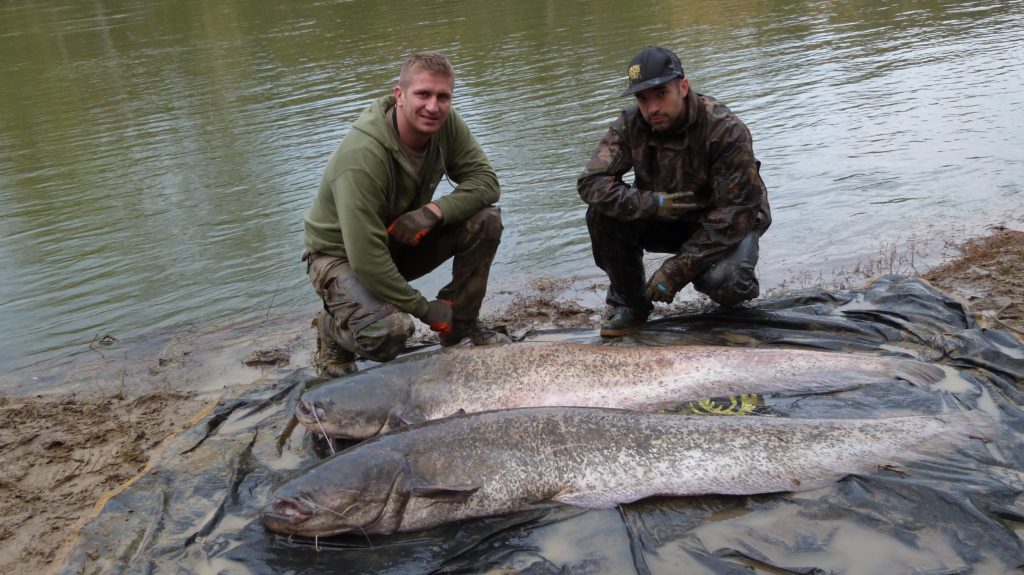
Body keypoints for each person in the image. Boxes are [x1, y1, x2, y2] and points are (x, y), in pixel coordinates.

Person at [302, 51, 510, 377]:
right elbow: (367, 260)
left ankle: (461, 325)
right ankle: (333, 330)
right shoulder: (362, 156)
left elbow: (486, 183)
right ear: (400, 95)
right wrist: (425, 309)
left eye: (443, 97)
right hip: (341, 258)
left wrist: (432, 212)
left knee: (485, 220)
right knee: (388, 333)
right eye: (423, 94)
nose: (433, 106)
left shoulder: (446, 124)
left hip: (398, 242)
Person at [577, 46, 771, 337]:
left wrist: (675, 271)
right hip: (667, 217)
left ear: (683, 87)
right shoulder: (631, 125)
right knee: (601, 215)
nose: (651, 107)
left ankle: (734, 305)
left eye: (661, 94)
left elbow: (736, 213)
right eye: (643, 98)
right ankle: (631, 306)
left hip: (725, 223)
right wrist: (650, 204)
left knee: (726, 282)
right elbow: (591, 182)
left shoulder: (725, 130)